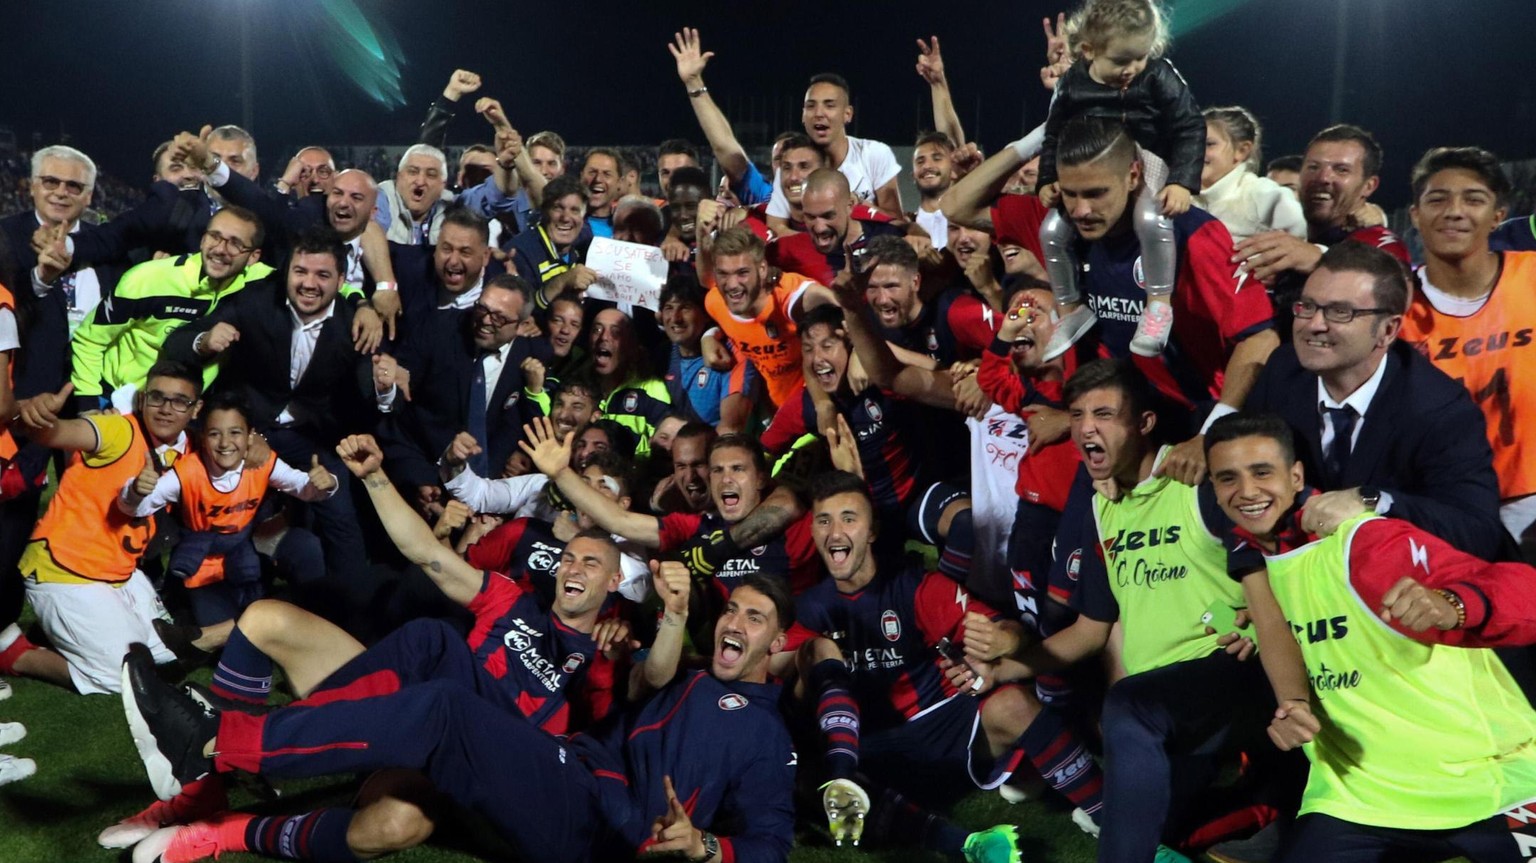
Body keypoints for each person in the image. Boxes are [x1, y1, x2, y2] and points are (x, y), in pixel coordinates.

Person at [120, 432, 634, 862]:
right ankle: (205, 779)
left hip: (464, 759)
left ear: (615, 581)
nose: (573, 568)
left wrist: (655, 630)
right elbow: (424, 551)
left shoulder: (608, 657)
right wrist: (374, 477)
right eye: (568, 559)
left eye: (591, 564)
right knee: (266, 618)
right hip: (405, 709)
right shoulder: (509, 598)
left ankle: (226, 825)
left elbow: (648, 686)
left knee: (389, 825)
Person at [122, 568, 801, 863]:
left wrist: (706, 846)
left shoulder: (765, 732)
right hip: (565, 775)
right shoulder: (679, 674)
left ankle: (217, 748)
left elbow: (771, 843)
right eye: (734, 610)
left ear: (779, 644)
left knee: (440, 716)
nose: (736, 622)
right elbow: (649, 675)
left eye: (756, 617)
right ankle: (218, 771)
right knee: (435, 648)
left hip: (603, 833)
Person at [1203, 412, 1536, 862]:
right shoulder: (1258, 558)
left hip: (1489, 782)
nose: (1246, 491)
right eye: (1228, 479)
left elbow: (1522, 591)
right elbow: (1278, 629)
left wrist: (1454, 605)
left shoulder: (1363, 540)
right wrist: (1293, 706)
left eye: (1261, 472)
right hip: (1361, 797)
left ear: (1296, 475)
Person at [991, 358, 1265, 863]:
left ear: (1144, 424)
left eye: (1103, 414)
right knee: (1159, 830)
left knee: (1128, 729)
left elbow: (1273, 563)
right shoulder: (1103, 506)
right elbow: (1091, 630)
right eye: (1075, 415)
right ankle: (1269, 805)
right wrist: (1006, 667)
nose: (1085, 428)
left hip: (1220, 676)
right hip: (1154, 710)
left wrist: (1260, 624)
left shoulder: (1197, 485)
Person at [794, 471, 1090, 854]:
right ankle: (965, 840)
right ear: (813, 532)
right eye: (824, 521)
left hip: (943, 728)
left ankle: (1107, 809)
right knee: (814, 769)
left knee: (1013, 703)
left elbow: (1003, 627)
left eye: (849, 518)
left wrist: (1006, 638)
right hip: (873, 752)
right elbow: (786, 688)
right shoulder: (809, 609)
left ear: (871, 531)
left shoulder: (917, 586)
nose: (835, 531)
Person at [1027, 117, 1279, 483]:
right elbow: (958, 209)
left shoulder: (1193, 236)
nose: (1080, 209)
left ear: (1132, 176)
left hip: (1197, 429)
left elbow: (1261, 338)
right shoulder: (1071, 234)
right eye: (1070, 193)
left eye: (1096, 193)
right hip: (1129, 432)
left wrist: (1212, 433)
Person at [162, 228, 396, 603]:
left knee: (339, 508)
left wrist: (386, 386)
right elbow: (178, 341)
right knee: (199, 501)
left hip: (310, 437)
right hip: (242, 429)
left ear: (341, 279)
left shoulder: (356, 322)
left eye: (322, 275)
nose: (309, 284)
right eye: (300, 272)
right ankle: (179, 593)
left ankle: (351, 610)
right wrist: (204, 341)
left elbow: (369, 402)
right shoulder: (255, 301)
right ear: (287, 271)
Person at [1243, 240, 1508, 560]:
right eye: (1307, 306)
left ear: (1388, 330)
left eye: (1340, 312)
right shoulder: (1284, 371)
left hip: (1407, 584)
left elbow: (1475, 530)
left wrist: (1374, 501)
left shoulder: (1439, 410)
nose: (1314, 325)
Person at [0, 363, 205, 694]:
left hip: (119, 573)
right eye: (157, 397)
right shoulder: (117, 431)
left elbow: (231, 445)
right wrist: (37, 420)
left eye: (180, 401)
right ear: (142, 399)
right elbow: (57, 433)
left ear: (196, 409)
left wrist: (257, 446)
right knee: (126, 679)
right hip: (64, 570)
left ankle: (61, 630)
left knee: (168, 657)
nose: (167, 409)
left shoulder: (189, 446)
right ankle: (16, 654)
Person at [1036, 0, 1206, 358]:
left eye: (1141, 57)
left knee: (1149, 217)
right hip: (1098, 163)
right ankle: (1070, 310)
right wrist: (1047, 178)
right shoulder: (1072, 83)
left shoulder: (1159, 75)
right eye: (1121, 61)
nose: (1133, 68)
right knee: (1052, 232)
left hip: (1146, 157)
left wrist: (1182, 181)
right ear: (1088, 50)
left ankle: (1158, 305)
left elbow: (1190, 125)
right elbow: (1054, 135)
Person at [1396, 146, 1536, 559]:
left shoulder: (1531, 275)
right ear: (1415, 214)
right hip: (1441, 509)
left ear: (1498, 215)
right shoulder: (1392, 303)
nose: (1454, 211)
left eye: (1473, 199)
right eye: (1437, 199)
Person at [116, 393, 338, 628]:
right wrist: (136, 491)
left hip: (247, 543)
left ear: (250, 436)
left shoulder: (260, 461)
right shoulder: (188, 471)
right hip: (204, 557)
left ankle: (313, 623)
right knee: (220, 632)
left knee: (305, 546)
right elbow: (134, 508)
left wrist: (327, 483)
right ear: (203, 437)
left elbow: (305, 488)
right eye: (214, 434)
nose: (224, 443)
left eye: (235, 433)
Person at [68, 206, 273, 412]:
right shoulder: (147, 279)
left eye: (235, 243)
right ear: (203, 239)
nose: (220, 249)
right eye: (215, 236)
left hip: (180, 410)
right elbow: (90, 340)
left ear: (253, 257)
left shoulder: (258, 284)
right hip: (116, 400)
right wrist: (89, 407)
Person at [1231, 125, 1409, 296]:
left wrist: (1321, 260)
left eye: (1341, 170)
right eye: (1313, 167)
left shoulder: (1380, 244)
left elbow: (1396, 295)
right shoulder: (1274, 234)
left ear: (1368, 186)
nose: (1323, 177)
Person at [700, 226, 834, 410]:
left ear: (762, 268)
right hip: (777, 405)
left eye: (742, 273)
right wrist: (708, 336)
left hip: (817, 403)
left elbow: (833, 304)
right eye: (723, 273)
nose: (732, 285)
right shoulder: (715, 303)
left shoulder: (787, 295)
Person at [764, 73, 904, 232]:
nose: (818, 113)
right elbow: (777, 226)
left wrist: (858, 204)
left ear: (847, 114)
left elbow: (896, 222)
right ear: (803, 115)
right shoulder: (792, 165)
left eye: (829, 105)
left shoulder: (874, 154)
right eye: (811, 106)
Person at [1194, 106, 1305, 244]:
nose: (1195, 151)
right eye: (1191, 143)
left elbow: (1301, 239)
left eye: (1209, 144)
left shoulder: (1262, 194)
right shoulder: (1181, 195)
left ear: (1241, 150)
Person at [659, 273, 756, 430]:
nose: (675, 318)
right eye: (669, 308)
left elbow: (730, 429)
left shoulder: (732, 355)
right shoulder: (662, 355)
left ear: (705, 314)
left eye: (685, 308)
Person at [378, 144, 454, 245]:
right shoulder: (381, 198)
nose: (420, 182)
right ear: (398, 177)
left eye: (430, 175)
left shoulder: (452, 207)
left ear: (442, 185)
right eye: (413, 172)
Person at [579, 148, 623, 239]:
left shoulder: (629, 227)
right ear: (581, 176)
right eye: (592, 172)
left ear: (619, 182)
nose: (598, 179)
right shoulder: (566, 223)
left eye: (607, 174)